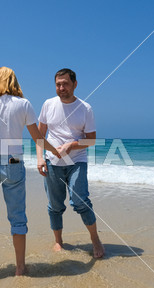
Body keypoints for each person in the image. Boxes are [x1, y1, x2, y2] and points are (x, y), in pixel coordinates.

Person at [0, 66, 60, 283]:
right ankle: (20, 268)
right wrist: (55, 151)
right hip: (13, 160)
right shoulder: (24, 104)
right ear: (14, 82)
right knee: (17, 216)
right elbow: (38, 138)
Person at [36, 68, 105, 258]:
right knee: (55, 206)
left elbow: (91, 140)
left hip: (77, 161)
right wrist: (40, 158)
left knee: (80, 201)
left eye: (65, 83)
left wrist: (71, 145)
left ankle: (95, 239)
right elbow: (39, 136)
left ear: (75, 84)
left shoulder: (85, 108)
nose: (61, 87)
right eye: (58, 84)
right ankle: (58, 241)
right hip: (52, 162)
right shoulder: (48, 104)